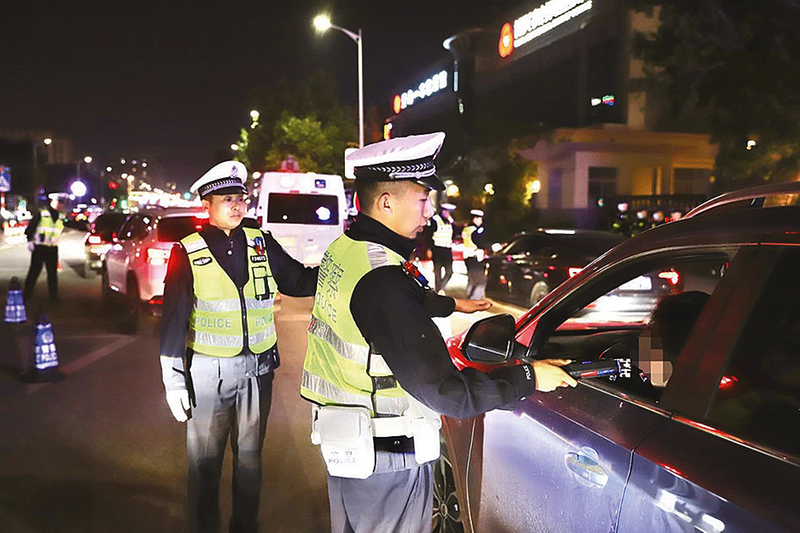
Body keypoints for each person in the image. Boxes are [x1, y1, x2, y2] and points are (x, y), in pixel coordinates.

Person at [300, 132, 577, 532]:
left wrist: (451, 305)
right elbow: (448, 394)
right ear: (386, 202)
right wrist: (529, 378)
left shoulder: (349, 248)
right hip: (387, 458)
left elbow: (385, 303)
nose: (429, 212)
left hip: (350, 445)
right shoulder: (385, 282)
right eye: (422, 199)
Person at [159, 161, 318, 533]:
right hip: (207, 375)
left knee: (250, 462)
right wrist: (174, 381)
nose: (236, 205)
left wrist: (341, 267)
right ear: (207, 206)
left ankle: (245, 527)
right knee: (204, 464)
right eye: (226, 199)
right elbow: (174, 319)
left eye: (240, 198)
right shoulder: (188, 250)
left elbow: (297, 280)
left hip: (257, 374)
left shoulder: (260, 241)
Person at [23, 194, 65, 301]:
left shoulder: (61, 217)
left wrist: (87, 225)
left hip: (52, 248)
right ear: (52, 202)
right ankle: (26, 295)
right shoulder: (42, 214)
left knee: (52, 274)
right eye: (59, 202)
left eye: (62, 203)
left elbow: (72, 224)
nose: (60, 205)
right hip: (40, 248)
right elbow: (30, 229)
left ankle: (54, 297)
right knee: (34, 272)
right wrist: (30, 241)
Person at [430, 202, 455, 293]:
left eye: (449, 212)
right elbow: (429, 235)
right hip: (437, 248)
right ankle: (438, 291)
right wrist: (429, 248)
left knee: (449, 272)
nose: (448, 214)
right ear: (442, 211)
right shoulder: (435, 220)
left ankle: (440, 288)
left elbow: (456, 232)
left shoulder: (450, 221)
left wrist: (452, 221)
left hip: (447, 249)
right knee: (437, 272)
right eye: (446, 212)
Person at [462, 208, 487, 299]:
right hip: (474, 257)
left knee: (472, 281)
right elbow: (480, 243)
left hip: (468, 257)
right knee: (480, 282)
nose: (481, 221)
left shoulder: (466, 229)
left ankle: (468, 300)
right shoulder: (475, 230)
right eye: (480, 219)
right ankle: (474, 301)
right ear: (475, 219)